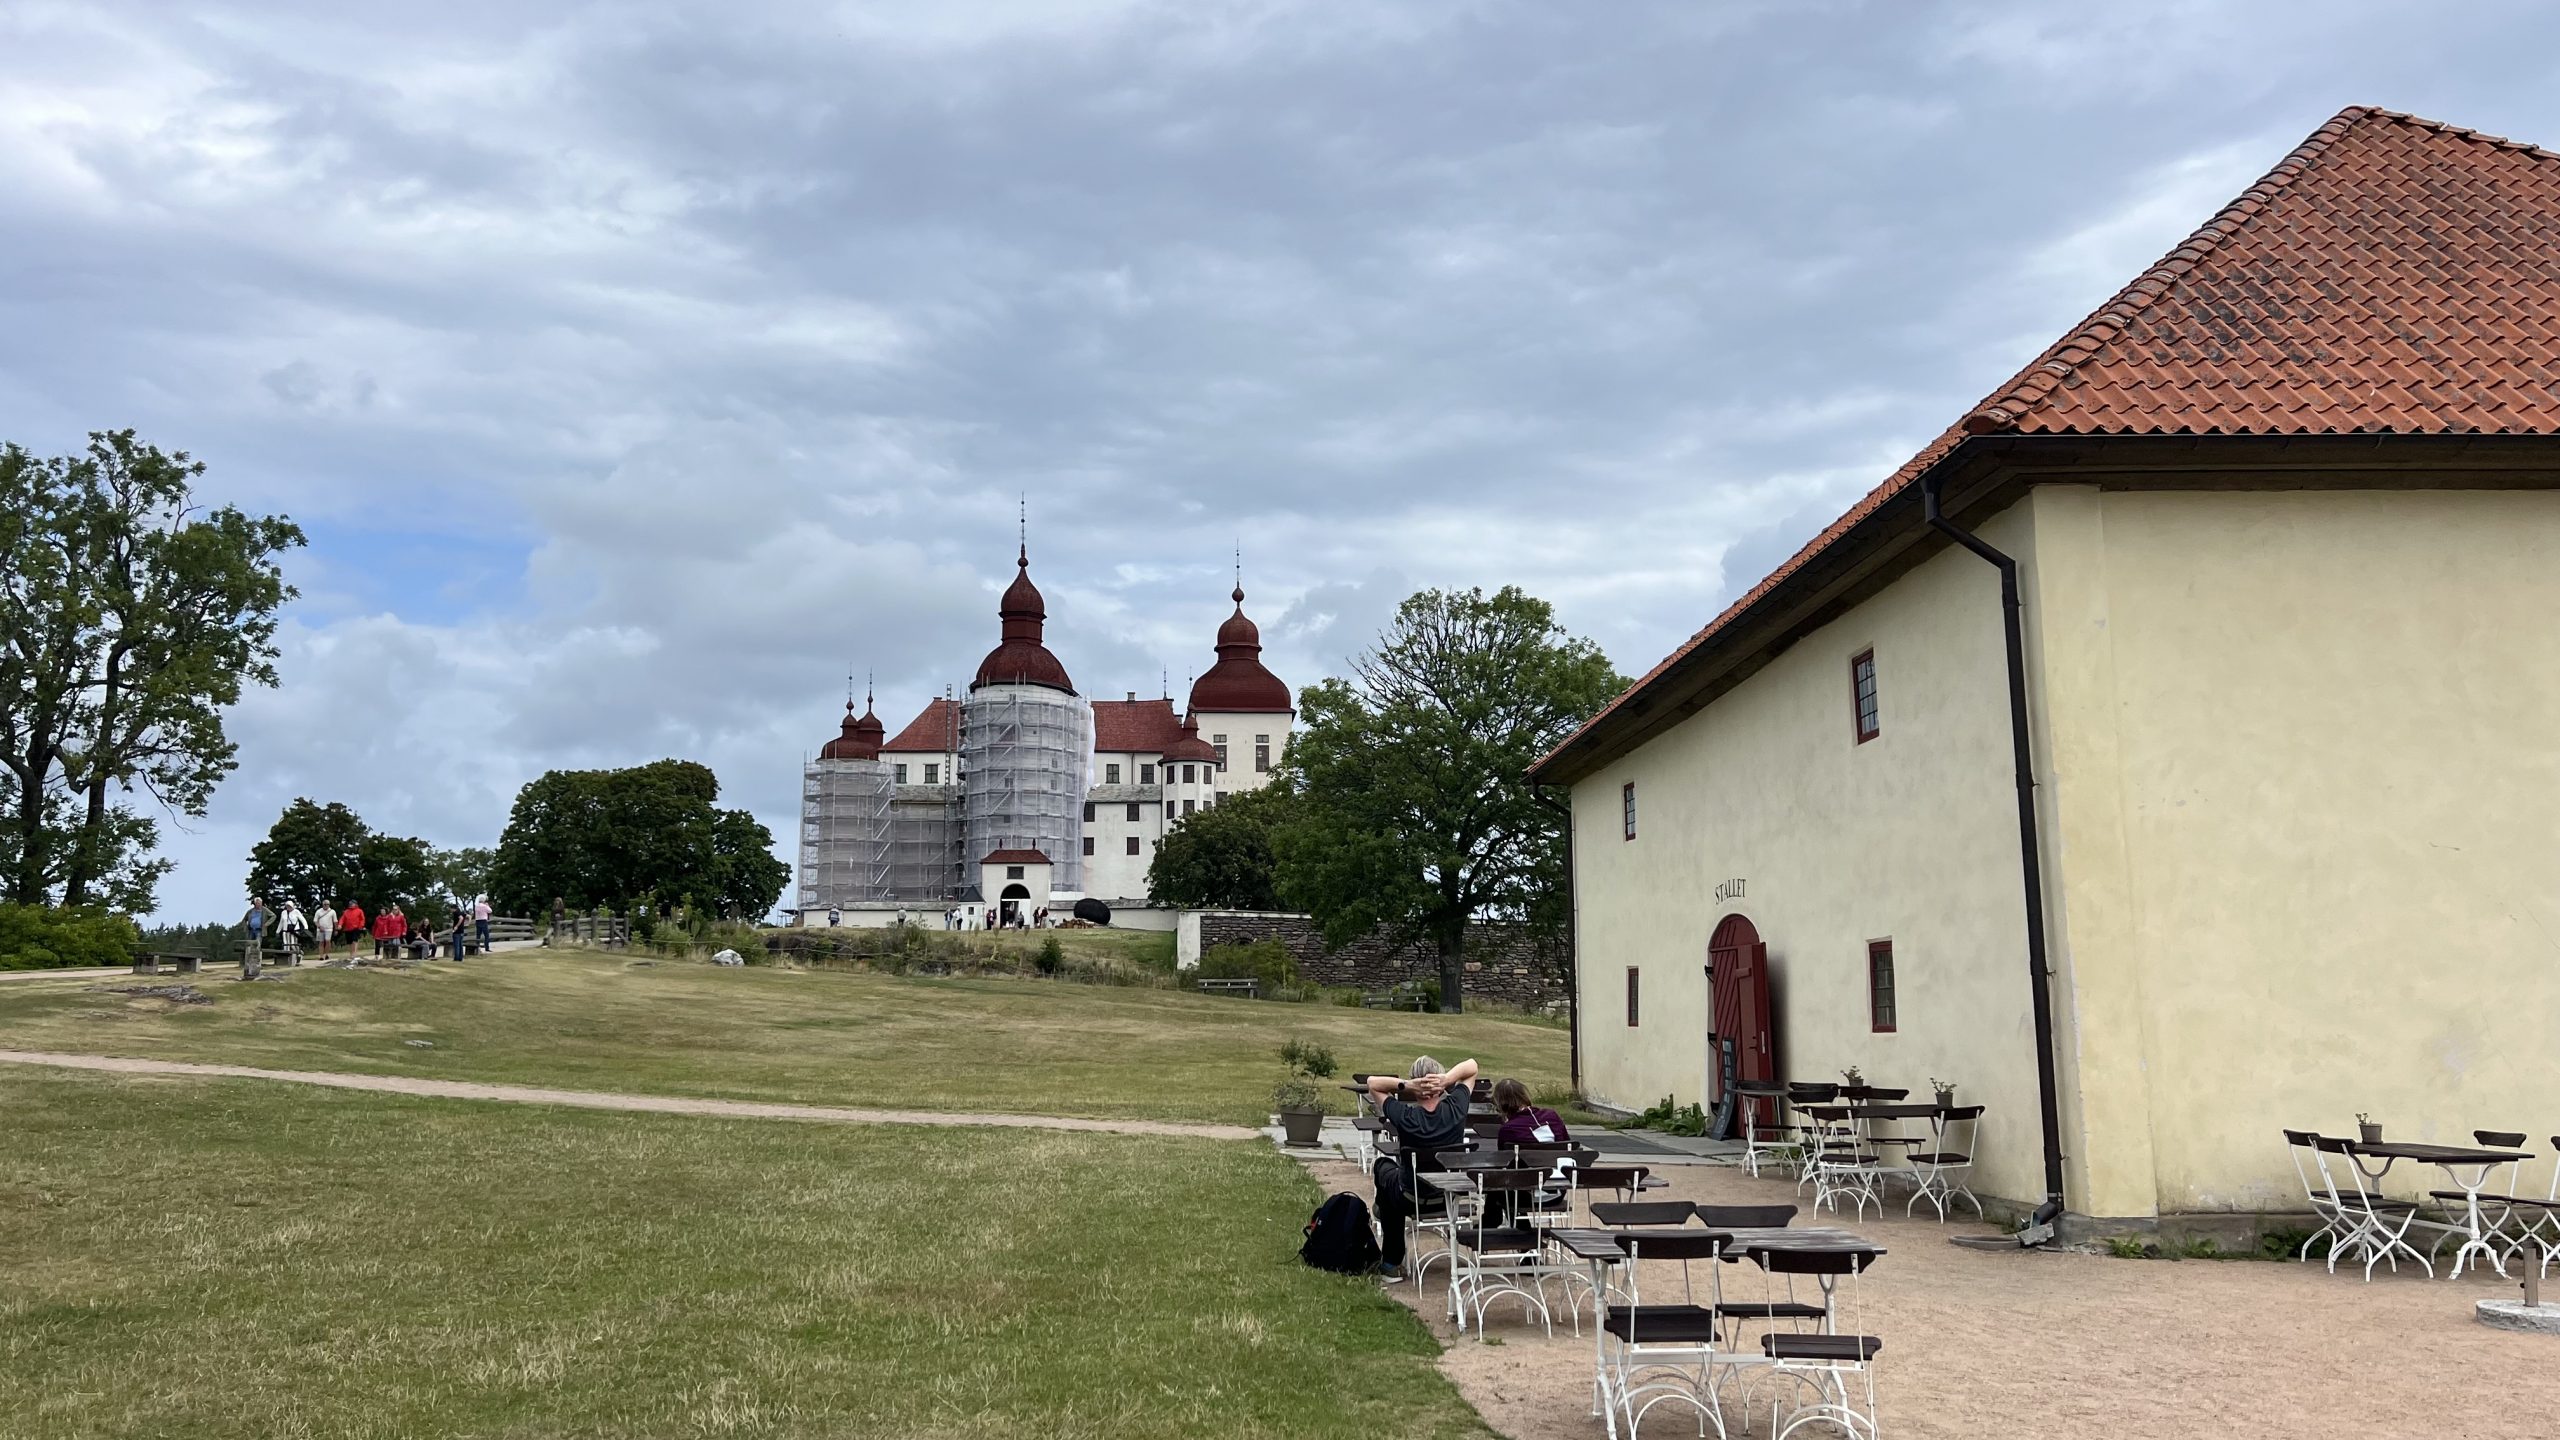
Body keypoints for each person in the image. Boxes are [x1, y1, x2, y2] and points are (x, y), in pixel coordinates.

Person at [1362, 1056, 1479, 1281]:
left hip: (1410, 1196)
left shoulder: (1405, 1116)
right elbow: (1472, 1067)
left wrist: (1406, 1085)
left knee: (1382, 1168)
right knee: (1391, 1183)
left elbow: (1372, 1083)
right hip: (1447, 1196)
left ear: (1415, 1085)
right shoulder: (1456, 1109)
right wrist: (1448, 1080)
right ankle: (1384, 1218)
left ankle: (1390, 1263)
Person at [1492, 1078, 1571, 1147]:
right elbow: (1567, 1144)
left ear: (1500, 1104)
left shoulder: (1507, 1130)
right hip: (1557, 1161)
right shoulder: (1552, 1116)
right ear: (1524, 1095)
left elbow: (1503, 1157)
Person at [278, 900, 307, 964]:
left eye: (290, 906)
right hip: (285, 930)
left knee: (293, 944)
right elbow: (281, 922)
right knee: (286, 944)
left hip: (294, 931)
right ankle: (286, 958)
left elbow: (303, 920)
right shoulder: (284, 912)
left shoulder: (296, 912)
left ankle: (298, 954)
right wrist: (278, 931)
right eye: (287, 906)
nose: (288, 907)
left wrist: (306, 928)